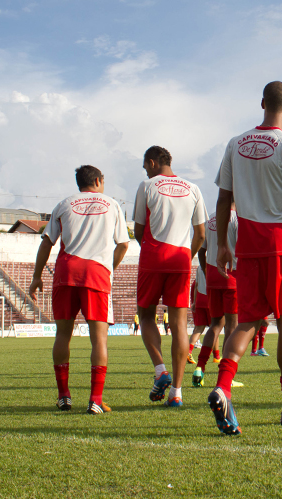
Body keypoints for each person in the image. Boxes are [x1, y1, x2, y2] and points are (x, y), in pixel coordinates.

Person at [208, 81, 282, 434]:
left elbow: (223, 199)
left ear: (262, 103)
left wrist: (223, 245)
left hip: (247, 245)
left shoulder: (235, 144)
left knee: (247, 321)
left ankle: (223, 387)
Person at [30, 165, 130, 414]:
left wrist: (36, 276)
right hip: (96, 274)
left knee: (62, 335)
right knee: (99, 339)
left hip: (66, 273)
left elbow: (47, 242)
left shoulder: (64, 204)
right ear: (97, 180)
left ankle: (63, 396)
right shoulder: (112, 204)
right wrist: (108, 269)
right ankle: (95, 399)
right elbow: (123, 245)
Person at [134, 145, 208, 407]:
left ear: (152, 163)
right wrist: (187, 256)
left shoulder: (147, 186)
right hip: (180, 259)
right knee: (179, 326)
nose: (145, 170)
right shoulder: (193, 188)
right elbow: (200, 234)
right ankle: (177, 392)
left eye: (145, 166)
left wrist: (152, 252)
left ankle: (160, 370)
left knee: (145, 315)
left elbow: (138, 230)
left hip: (153, 256)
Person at [194, 204, 238, 387]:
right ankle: (225, 376)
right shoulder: (237, 219)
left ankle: (200, 367)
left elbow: (201, 250)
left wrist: (206, 272)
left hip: (212, 276)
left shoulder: (210, 218)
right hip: (231, 277)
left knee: (215, 324)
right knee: (232, 327)